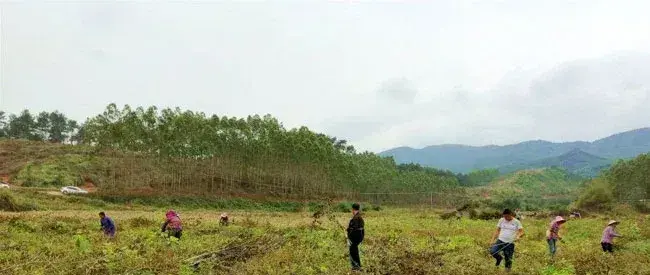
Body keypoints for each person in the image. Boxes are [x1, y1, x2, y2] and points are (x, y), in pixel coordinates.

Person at [347, 203, 365, 271]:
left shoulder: (357, 218)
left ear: (353, 209)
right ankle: (356, 266)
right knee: (354, 250)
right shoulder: (358, 217)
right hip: (358, 237)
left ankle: (356, 266)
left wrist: (349, 230)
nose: (352, 211)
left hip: (356, 237)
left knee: (353, 251)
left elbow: (355, 228)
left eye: (352, 209)